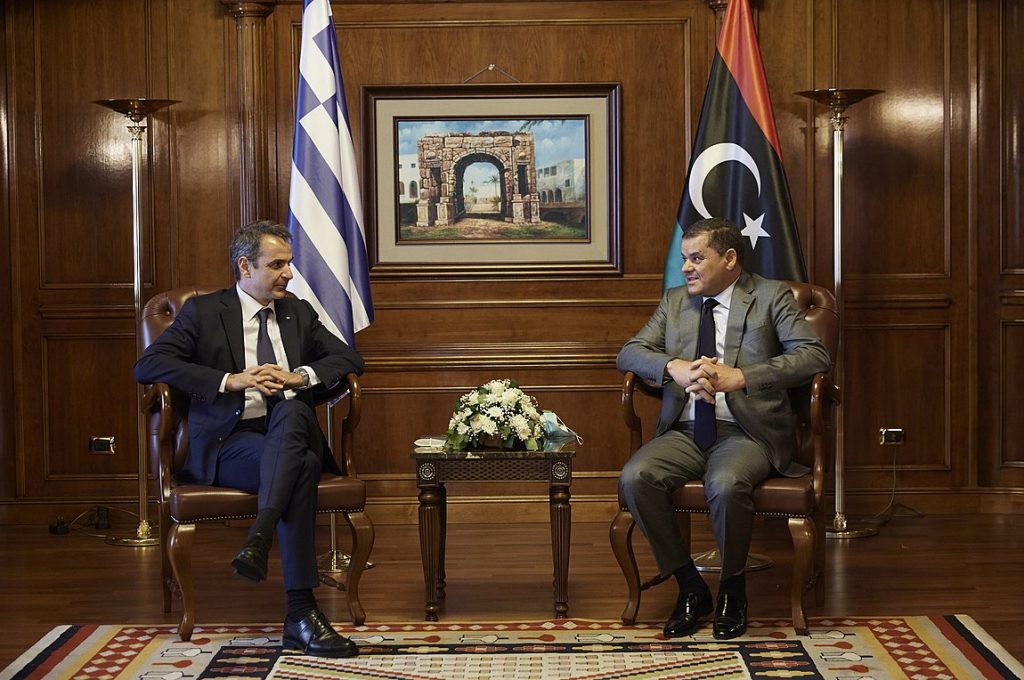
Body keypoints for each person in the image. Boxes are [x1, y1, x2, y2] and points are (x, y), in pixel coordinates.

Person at [134, 221, 365, 658]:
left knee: (293, 409)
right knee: (303, 466)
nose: (288, 274)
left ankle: (260, 537)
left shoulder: (298, 313)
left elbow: (349, 357)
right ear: (245, 267)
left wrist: (300, 376)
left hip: (290, 429)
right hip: (233, 442)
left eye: (289, 264)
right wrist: (231, 380)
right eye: (276, 265)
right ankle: (301, 614)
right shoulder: (204, 312)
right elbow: (148, 365)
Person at [616, 217, 830, 640]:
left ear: (730, 258)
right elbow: (629, 352)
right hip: (685, 430)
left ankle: (733, 590)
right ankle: (691, 587)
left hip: (748, 432)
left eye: (697, 258)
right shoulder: (676, 301)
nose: (686, 268)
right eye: (685, 259)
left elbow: (813, 355)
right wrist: (673, 367)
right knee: (636, 477)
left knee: (727, 483)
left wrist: (742, 377)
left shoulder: (770, 296)